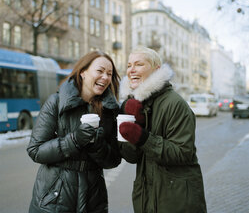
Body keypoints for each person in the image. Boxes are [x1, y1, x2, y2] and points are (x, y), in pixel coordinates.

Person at [27, 51, 121, 213]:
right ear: (83, 72)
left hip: (93, 198)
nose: (105, 77)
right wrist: (74, 140)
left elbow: (113, 160)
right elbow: (36, 150)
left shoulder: (110, 111)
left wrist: (98, 146)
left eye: (109, 74)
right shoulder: (56, 102)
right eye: (100, 71)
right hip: (55, 199)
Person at [118, 47, 207, 213]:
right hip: (146, 198)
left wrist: (143, 138)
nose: (131, 70)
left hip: (177, 200)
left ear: (156, 70)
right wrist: (134, 129)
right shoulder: (133, 105)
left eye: (139, 64)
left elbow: (182, 153)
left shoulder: (175, 104)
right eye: (129, 65)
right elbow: (130, 157)